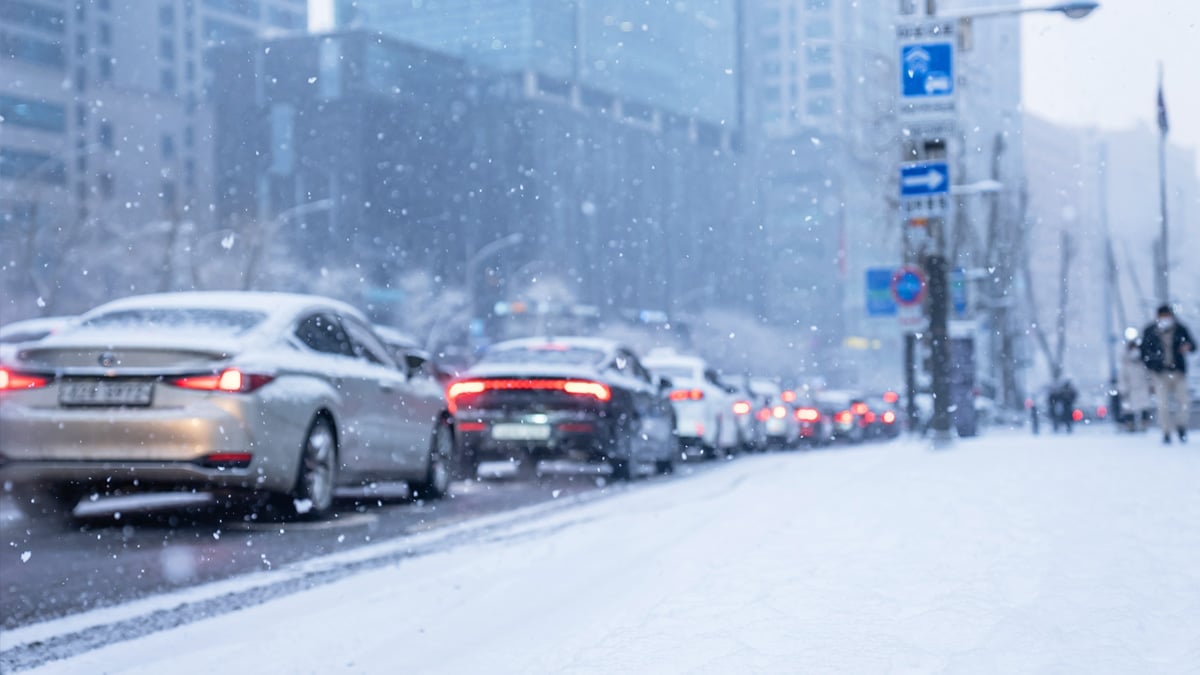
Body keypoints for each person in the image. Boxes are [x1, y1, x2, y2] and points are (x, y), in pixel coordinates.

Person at [1140, 304, 1195, 444]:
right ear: (1158, 316)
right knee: (1162, 404)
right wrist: (1153, 365)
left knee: (1183, 402)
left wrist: (1187, 346)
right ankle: (1166, 431)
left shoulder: (1180, 329)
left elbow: (1193, 345)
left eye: (1168, 316)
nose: (1165, 319)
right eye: (1163, 316)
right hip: (1160, 373)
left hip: (1178, 372)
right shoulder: (1150, 331)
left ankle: (1180, 425)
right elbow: (1144, 352)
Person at [1117, 339, 1153, 432]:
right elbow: (1122, 378)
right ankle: (1130, 425)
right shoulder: (1126, 364)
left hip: (1142, 388)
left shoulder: (1143, 363)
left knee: (1144, 407)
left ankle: (1144, 425)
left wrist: (1150, 386)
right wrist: (1123, 389)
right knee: (1129, 409)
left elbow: (1149, 376)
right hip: (1131, 390)